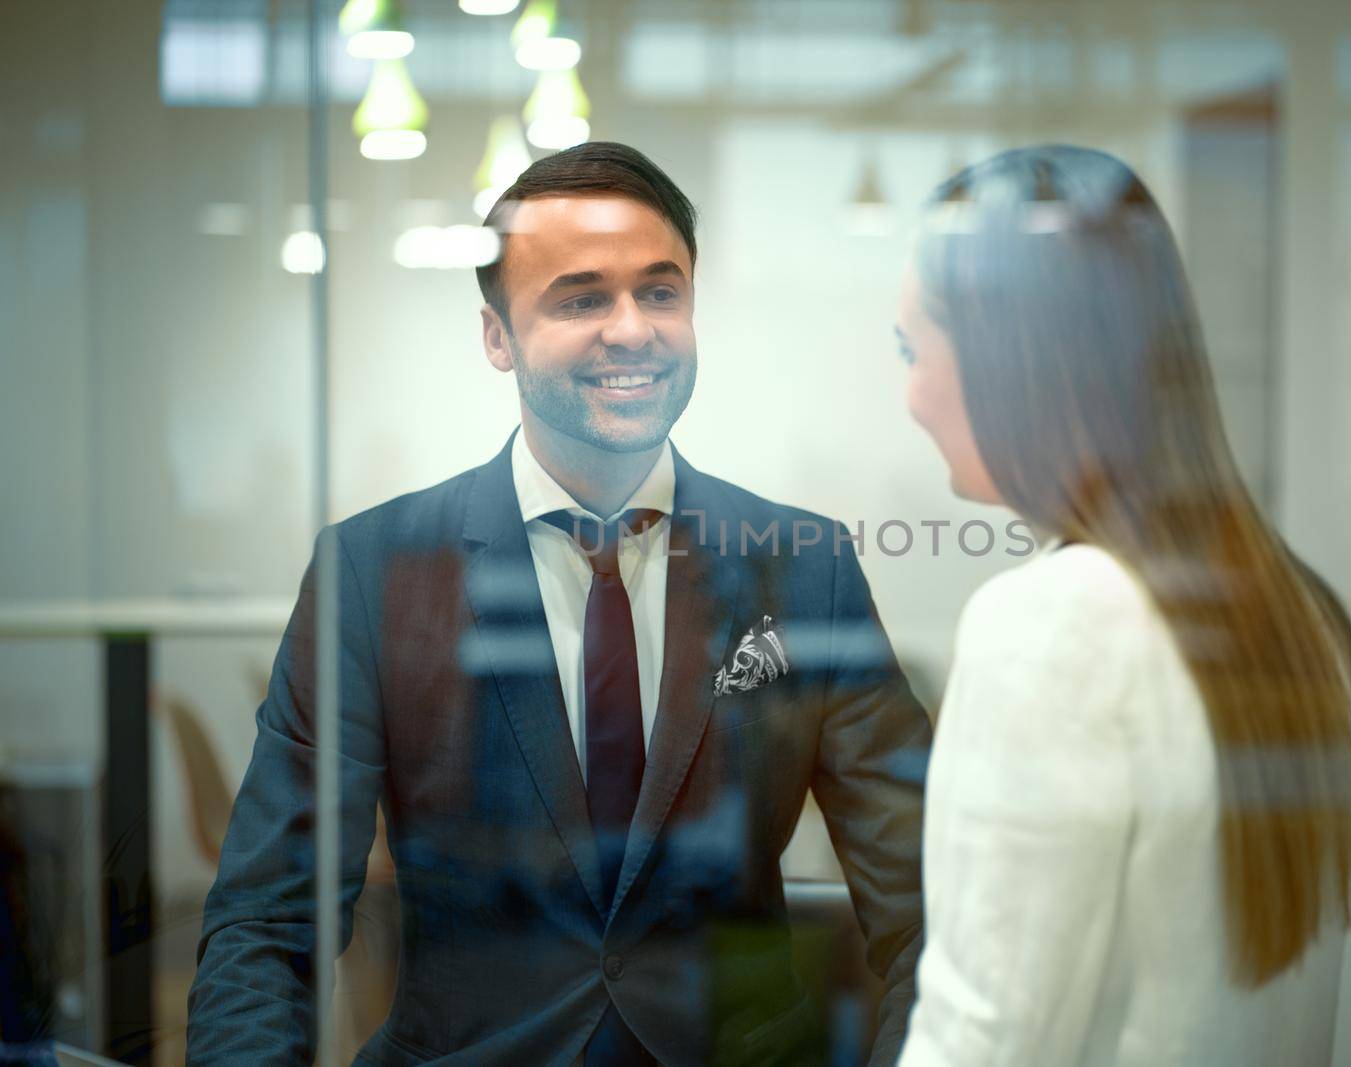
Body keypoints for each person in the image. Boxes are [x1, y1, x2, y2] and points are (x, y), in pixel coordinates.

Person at [187, 142, 931, 1066]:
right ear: (496, 337)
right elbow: (269, 919)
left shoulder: (801, 566)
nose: (631, 329)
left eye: (660, 292)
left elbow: (932, 900)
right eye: (581, 298)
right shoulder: (373, 573)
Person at [892, 146, 1351, 1065]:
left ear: (1012, 354)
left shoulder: (1048, 620)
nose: (909, 394)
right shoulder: (1299, 613)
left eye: (912, 348)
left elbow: (982, 1035)